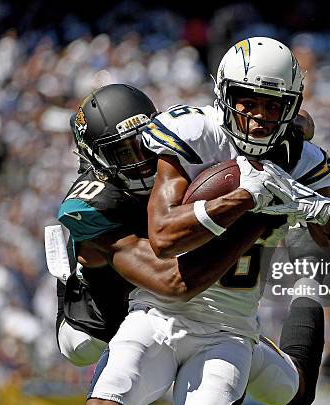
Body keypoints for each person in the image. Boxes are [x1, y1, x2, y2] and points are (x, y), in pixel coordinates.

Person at [87, 37, 330, 405]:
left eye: (273, 106)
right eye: (248, 102)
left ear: (291, 107)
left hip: (230, 330)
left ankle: (307, 295)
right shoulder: (196, 133)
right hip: (157, 313)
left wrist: (326, 214)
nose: (258, 117)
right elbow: (163, 238)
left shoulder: (305, 162)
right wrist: (246, 197)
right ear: (224, 95)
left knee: (292, 393)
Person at [51, 83, 274, 367]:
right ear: (96, 160)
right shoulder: (97, 205)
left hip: (159, 305)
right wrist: (256, 216)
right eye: (124, 154)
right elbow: (174, 282)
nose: (142, 163)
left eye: (143, 145)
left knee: (284, 385)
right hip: (96, 326)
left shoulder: (173, 144)